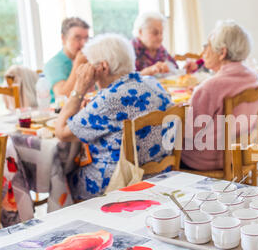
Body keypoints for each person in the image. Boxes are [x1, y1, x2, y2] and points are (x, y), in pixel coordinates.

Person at [55, 34, 176, 201]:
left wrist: (79, 89)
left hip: (119, 182)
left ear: (103, 67)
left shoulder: (110, 99)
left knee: (61, 174)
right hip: (161, 174)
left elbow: (61, 132)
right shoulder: (151, 82)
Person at [180, 20, 258, 171]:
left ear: (222, 53)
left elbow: (191, 133)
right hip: (241, 153)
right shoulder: (253, 77)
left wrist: (179, 112)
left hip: (207, 161)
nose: (203, 52)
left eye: (207, 46)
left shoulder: (210, 87)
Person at [44, 17, 90, 103]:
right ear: (63, 39)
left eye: (86, 38)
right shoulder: (54, 64)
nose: (84, 43)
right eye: (78, 38)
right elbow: (63, 95)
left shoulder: (89, 59)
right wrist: (78, 64)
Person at [131, 12, 179, 76]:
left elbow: (175, 69)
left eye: (161, 33)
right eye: (155, 33)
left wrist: (186, 70)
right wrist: (146, 72)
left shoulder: (160, 49)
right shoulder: (130, 50)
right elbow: (123, 81)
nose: (160, 38)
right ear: (140, 32)